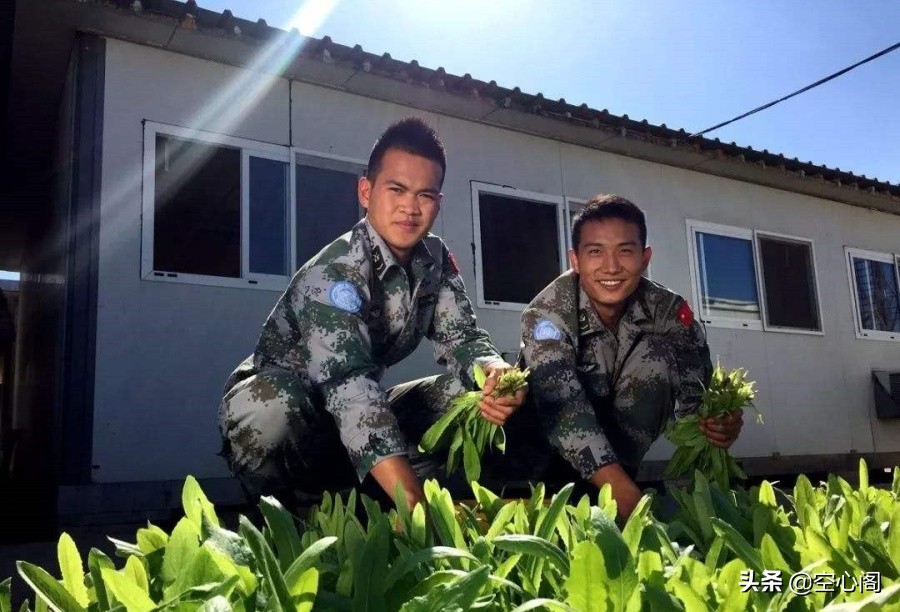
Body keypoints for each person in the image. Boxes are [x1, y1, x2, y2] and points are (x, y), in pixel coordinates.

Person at [219, 118, 525, 510]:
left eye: (425, 195)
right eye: (396, 189)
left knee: (474, 396)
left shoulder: (434, 260)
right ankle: (288, 517)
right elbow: (347, 386)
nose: (410, 208)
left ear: (438, 202)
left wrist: (496, 373)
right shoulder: (336, 270)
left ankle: (385, 502)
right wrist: (413, 505)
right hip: (295, 413)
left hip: (356, 409)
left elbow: (463, 339)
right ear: (366, 192)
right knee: (270, 406)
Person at [519, 194, 743, 519]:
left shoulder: (666, 311)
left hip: (620, 462)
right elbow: (562, 408)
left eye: (625, 251)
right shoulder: (547, 314)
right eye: (595, 252)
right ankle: (597, 492)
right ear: (575, 260)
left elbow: (698, 393)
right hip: (540, 460)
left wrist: (718, 424)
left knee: (656, 355)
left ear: (645, 257)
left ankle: (621, 485)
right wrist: (626, 497)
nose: (611, 267)